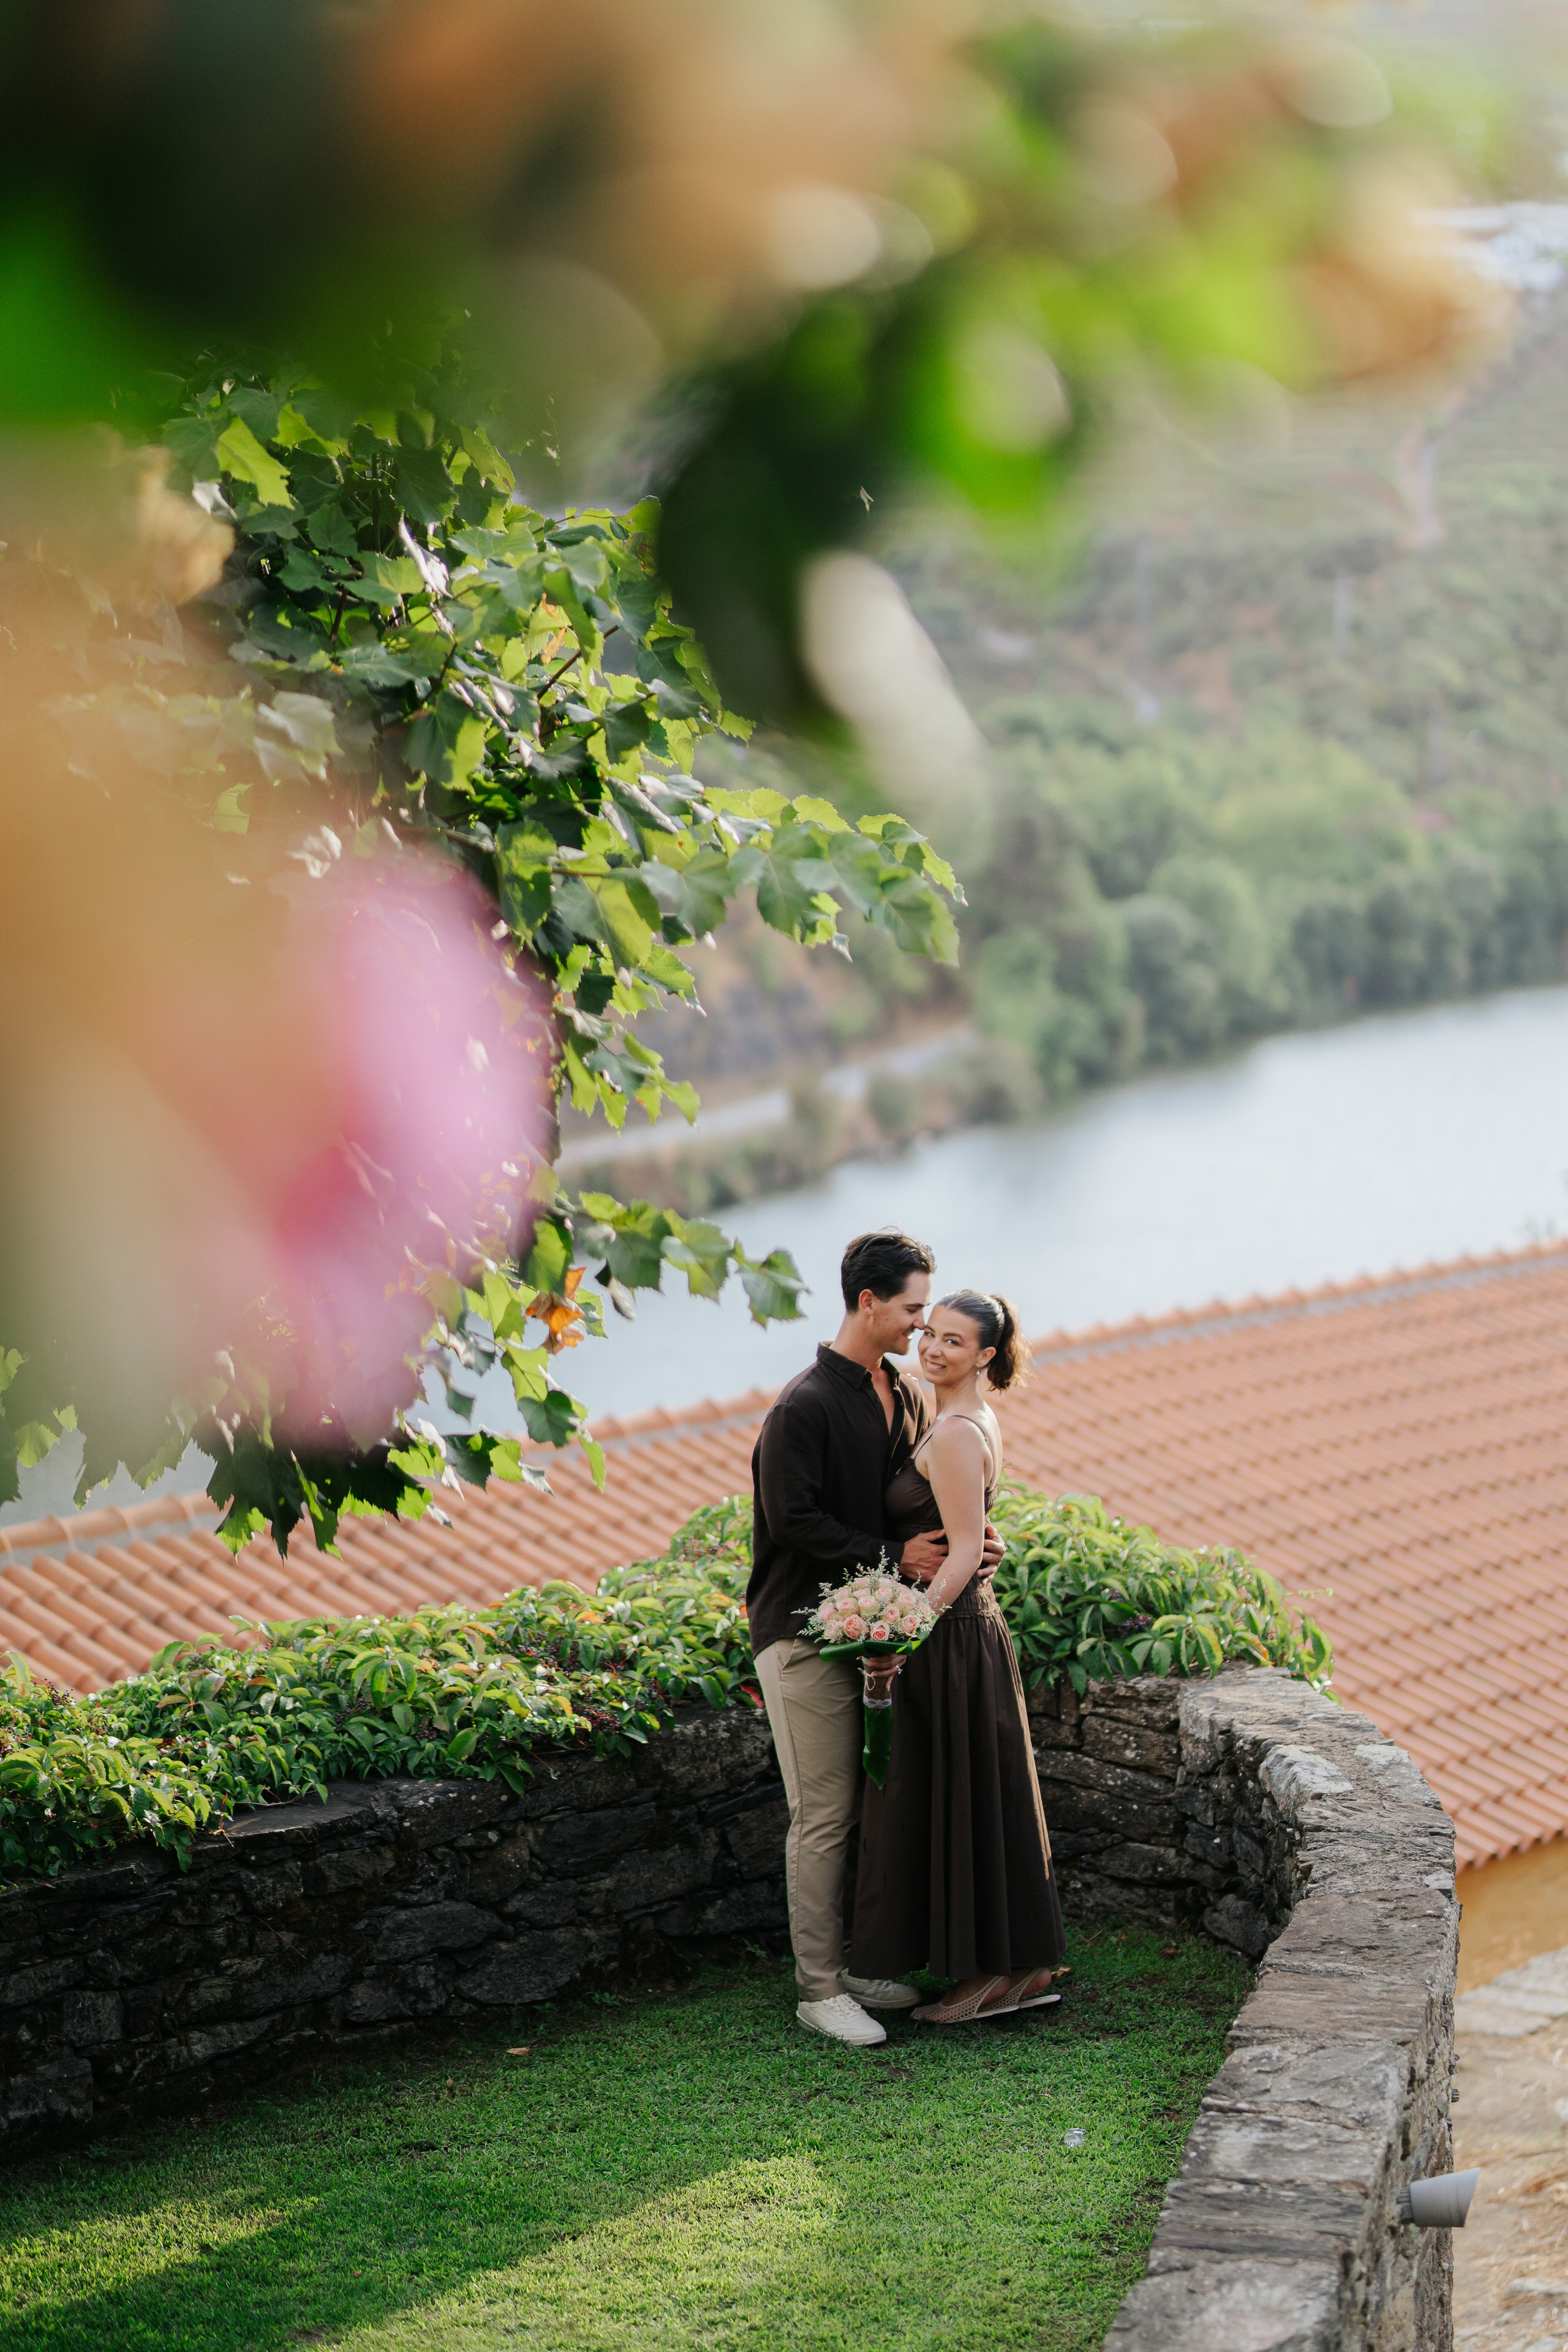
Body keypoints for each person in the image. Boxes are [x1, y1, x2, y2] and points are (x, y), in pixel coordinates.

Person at [749, 1229, 1003, 2048]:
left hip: (874, 1634)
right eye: (912, 1311)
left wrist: (977, 1542)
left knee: (873, 1804)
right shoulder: (804, 1405)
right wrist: (900, 1558)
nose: (921, 1330)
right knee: (822, 1813)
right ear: (868, 1303)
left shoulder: (898, 1391)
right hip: (800, 1635)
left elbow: (925, 1505)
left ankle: (862, 1964)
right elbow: (793, 1522)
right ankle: (819, 1991)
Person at [849, 1289, 1066, 2024]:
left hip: (949, 1637)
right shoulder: (957, 1418)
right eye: (930, 1334)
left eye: (953, 1342)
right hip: (964, 1628)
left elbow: (967, 1551)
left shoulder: (953, 1433)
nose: (933, 1349)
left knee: (965, 1795)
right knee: (975, 1794)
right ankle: (1012, 1967)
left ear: (985, 1357)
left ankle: (996, 1975)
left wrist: (903, 1637)